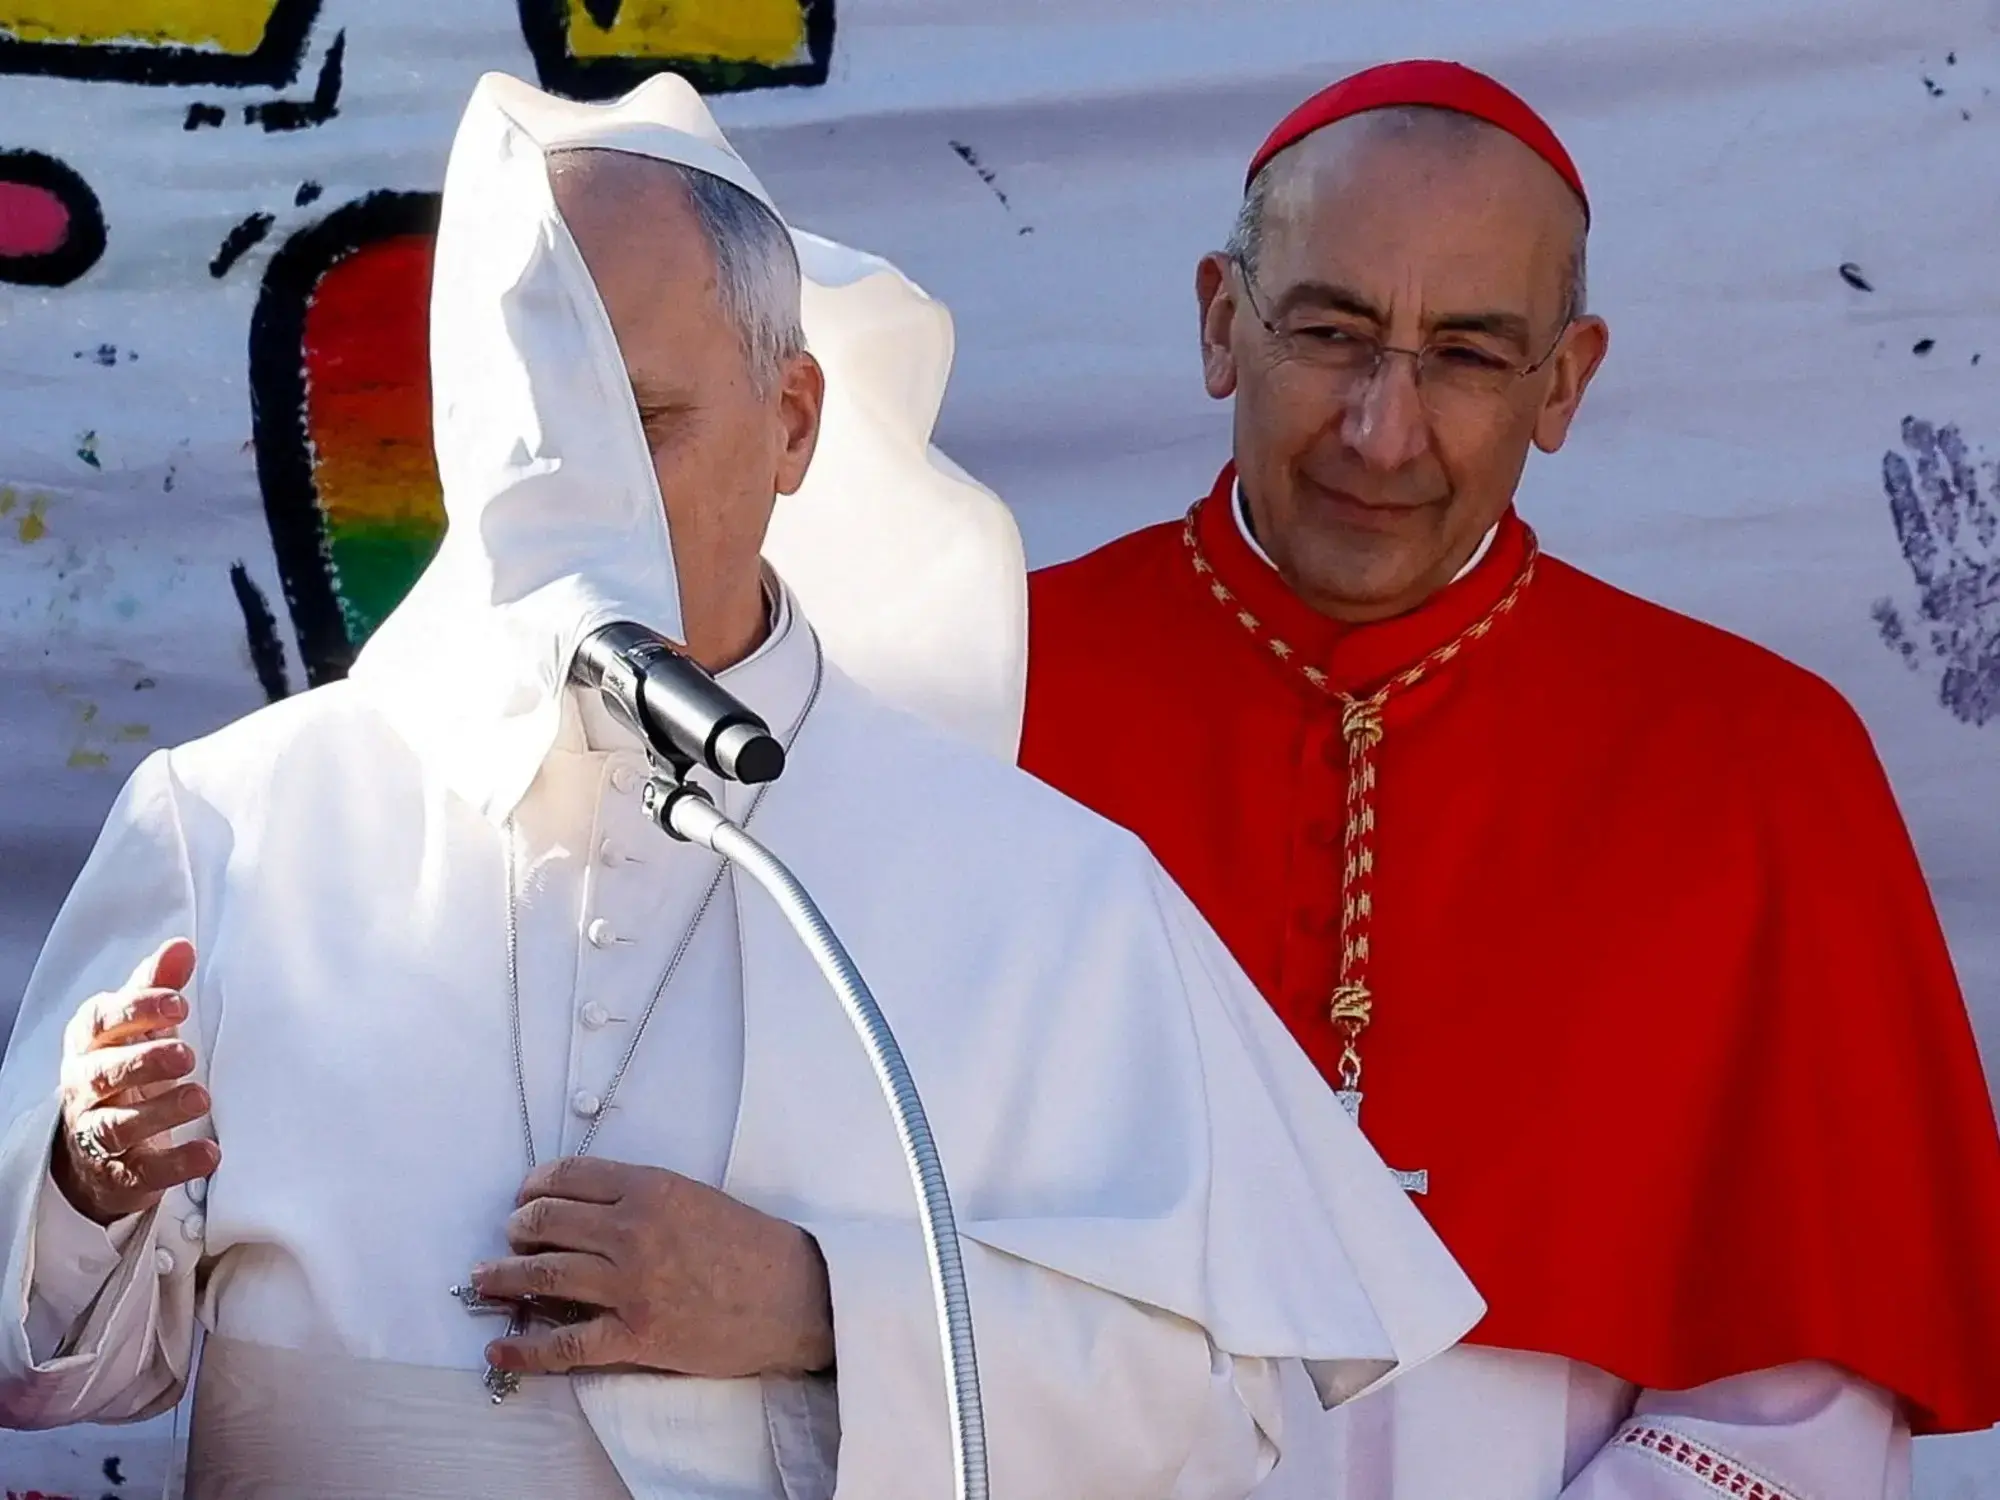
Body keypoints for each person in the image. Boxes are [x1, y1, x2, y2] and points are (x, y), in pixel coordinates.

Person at [0, 72, 1481, 1499]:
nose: (579, 500)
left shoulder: (1032, 888)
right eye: (530, 436)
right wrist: (82, 1184)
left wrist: (823, 1305)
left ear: (793, 425)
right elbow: (59, 1374)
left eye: (643, 425)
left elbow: (1223, 1406)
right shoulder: (238, 820)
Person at [1020, 59, 2000, 1498]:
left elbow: (1804, 1410)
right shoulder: (991, 690)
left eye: (1470, 355)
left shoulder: (1758, 764)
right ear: (1224, 324)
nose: (1382, 429)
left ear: (1567, 381)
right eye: (1331, 330)